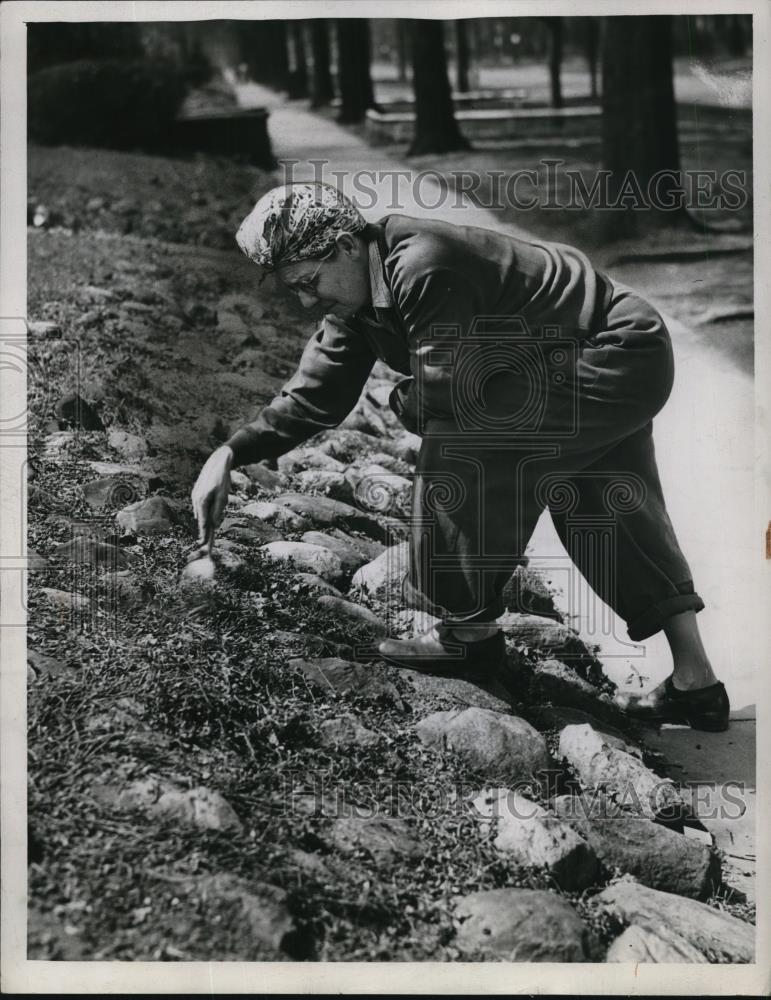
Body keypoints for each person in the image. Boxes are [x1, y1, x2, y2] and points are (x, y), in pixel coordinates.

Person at [190, 182, 730, 732]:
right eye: (294, 290)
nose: (306, 301)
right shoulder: (358, 294)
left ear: (346, 248)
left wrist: (402, 399)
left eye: (308, 283)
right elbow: (316, 392)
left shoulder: (423, 264)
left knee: (460, 453)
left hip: (610, 351)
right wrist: (230, 453)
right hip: (600, 355)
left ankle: (468, 636)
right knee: (603, 504)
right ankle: (697, 684)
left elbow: (443, 395)